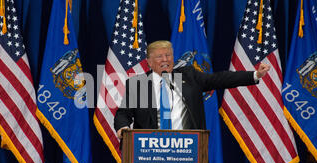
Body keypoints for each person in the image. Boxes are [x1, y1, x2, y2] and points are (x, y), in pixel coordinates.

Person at [115, 40, 271, 137]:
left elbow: (220, 79)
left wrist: (255, 74)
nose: (165, 60)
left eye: (168, 55)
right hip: (150, 152)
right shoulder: (138, 84)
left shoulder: (188, 75)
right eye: (159, 56)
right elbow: (124, 113)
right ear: (149, 62)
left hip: (187, 149)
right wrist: (123, 127)